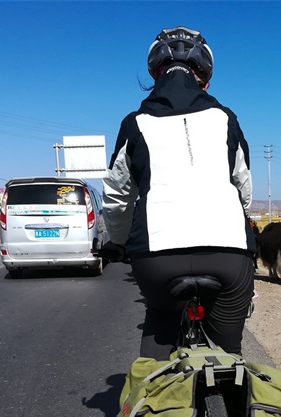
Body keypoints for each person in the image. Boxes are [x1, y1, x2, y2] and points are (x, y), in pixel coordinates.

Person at [102, 25, 256, 361]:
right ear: (205, 79)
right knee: (229, 354)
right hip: (228, 253)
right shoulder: (226, 119)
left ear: (154, 75)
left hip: (157, 258)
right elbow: (243, 184)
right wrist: (240, 219)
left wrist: (117, 240)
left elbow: (116, 195)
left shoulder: (135, 123)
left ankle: (154, 397)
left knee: (161, 321)